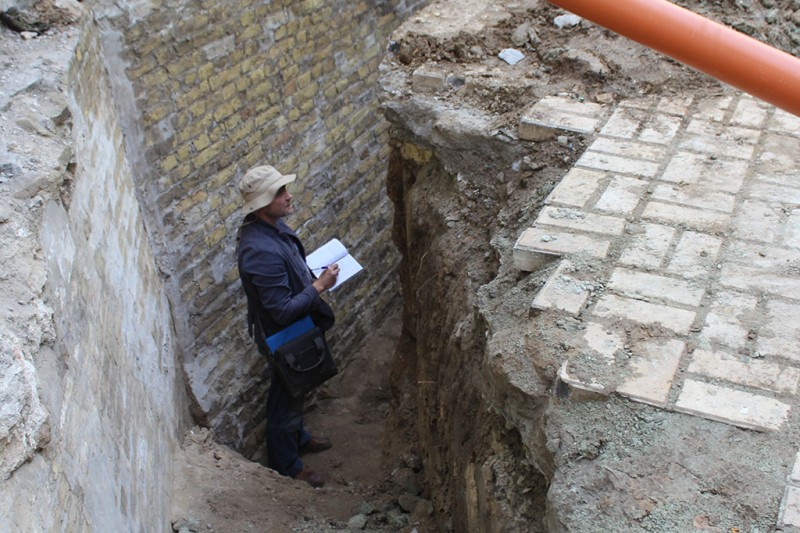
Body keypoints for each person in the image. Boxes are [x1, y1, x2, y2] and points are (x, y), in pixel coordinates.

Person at [236, 164, 340, 488]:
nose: (288, 196)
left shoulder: (271, 228)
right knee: (286, 398)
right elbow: (280, 311)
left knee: (295, 390)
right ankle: (289, 465)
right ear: (263, 203)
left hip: (297, 330)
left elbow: (290, 270)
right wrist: (319, 287)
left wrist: (310, 278)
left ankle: (299, 437)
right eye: (280, 192)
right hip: (285, 336)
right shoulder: (259, 251)